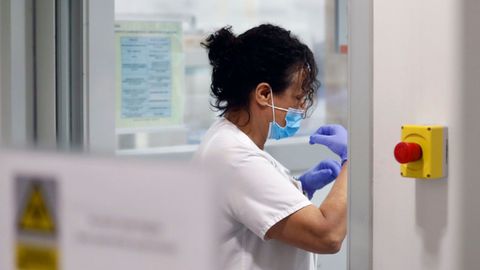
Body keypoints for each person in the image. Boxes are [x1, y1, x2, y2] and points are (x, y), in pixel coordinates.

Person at [194, 24, 348, 270]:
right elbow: (327, 236)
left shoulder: (229, 140)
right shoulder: (235, 158)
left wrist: (300, 190)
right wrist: (354, 161)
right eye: (297, 98)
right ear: (264, 94)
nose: (301, 107)